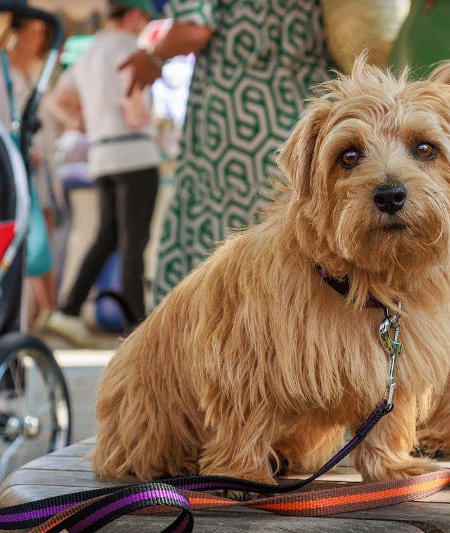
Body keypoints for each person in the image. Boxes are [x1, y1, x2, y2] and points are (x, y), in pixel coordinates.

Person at [119, 0, 333, 305]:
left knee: (227, 247)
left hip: (233, 121)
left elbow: (194, 29)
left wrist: (152, 55)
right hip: (306, 115)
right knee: (294, 242)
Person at [42, 0, 161, 347]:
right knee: (134, 243)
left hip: (102, 155)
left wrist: (80, 122)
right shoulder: (130, 48)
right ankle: (139, 326)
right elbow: (135, 107)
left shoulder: (89, 52)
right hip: (135, 152)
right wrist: (140, 118)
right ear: (135, 15)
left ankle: (69, 309)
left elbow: (54, 101)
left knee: (107, 237)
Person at [0, 14, 57, 331]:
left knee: (36, 245)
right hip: (12, 173)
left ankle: (42, 316)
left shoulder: (28, 72)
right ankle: (42, 315)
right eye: (33, 33)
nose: (39, 40)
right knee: (30, 246)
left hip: (33, 171)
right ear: (15, 33)